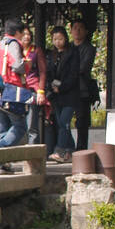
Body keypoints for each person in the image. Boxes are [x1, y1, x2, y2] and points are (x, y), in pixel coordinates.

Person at [0, 17, 31, 174]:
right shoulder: (13, 44)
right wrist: (27, 64)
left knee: (2, 129)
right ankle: (0, 151)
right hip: (10, 92)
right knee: (20, 126)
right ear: (18, 32)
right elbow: (18, 65)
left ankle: (2, 165)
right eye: (23, 33)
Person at [45, 26, 80, 162]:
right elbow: (48, 73)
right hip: (56, 95)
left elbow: (73, 74)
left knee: (65, 121)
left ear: (65, 38)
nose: (58, 42)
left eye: (60, 38)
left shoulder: (73, 53)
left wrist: (62, 86)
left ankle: (59, 151)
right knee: (61, 124)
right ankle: (71, 150)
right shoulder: (51, 55)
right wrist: (52, 86)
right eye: (55, 39)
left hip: (70, 94)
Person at [69, 19, 97, 151]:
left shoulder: (89, 49)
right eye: (75, 28)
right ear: (71, 31)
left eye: (80, 28)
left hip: (82, 89)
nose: (77, 30)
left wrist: (67, 72)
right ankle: (66, 148)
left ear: (86, 31)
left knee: (82, 122)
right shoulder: (67, 47)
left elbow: (83, 68)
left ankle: (81, 150)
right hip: (67, 89)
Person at [19, 27, 48, 146]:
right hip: (18, 89)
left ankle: (33, 155)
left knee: (32, 124)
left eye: (29, 34)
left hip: (32, 88)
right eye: (24, 34)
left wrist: (41, 91)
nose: (26, 37)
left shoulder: (36, 51)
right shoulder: (16, 50)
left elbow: (42, 72)